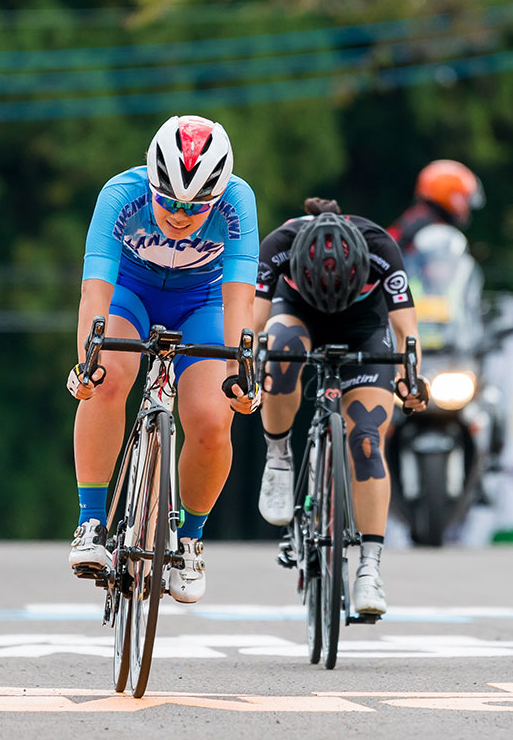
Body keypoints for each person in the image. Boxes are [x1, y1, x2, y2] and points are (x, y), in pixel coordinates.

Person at [64, 115, 260, 603]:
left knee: (212, 420)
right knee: (109, 376)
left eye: (195, 209)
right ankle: (91, 524)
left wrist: (242, 370)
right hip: (130, 295)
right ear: (150, 182)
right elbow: (95, 291)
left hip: (203, 302)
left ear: (217, 199)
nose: (178, 215)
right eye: (168, 201)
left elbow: (240, 299)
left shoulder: (239, 202)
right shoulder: (119, 195)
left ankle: (189, 539)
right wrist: (87, 360)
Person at [254, 197, 428, 617]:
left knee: (367, 440)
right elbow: (252, 324)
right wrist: (246, 368)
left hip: (363, 326)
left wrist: (410, 379)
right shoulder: (279, 242)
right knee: (278, 353)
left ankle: (369, 569)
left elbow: (406, 330)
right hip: (296, 313)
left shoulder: (381, 247)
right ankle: (278, 457)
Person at [388, 160, 484, 254]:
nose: (467, 207)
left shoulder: (422, 216)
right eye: (464, 197)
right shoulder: (424, 221)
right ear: (449, 193)